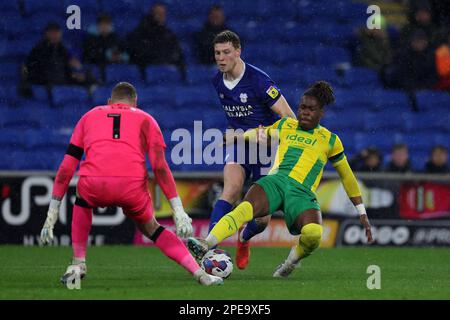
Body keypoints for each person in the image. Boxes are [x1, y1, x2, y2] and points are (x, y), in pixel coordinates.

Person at [39, 82, 223, 286]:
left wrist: (51, 214)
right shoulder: (146, 119)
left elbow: (66, 168)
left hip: (95, 183)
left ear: (109, 102)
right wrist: (178, 211)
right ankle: (200, 274)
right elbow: (160, 168)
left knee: (83, 201)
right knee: (153, 228)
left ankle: (78, 263)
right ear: (135, 103)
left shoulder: (89, 115)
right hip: (131, 186)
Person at [188, 81, 373, 278]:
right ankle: (206, 243)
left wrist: (361, 211)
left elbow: (347, 175)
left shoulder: (330, 140)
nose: (305, 112)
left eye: (312, 109)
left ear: (321, 113)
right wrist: (235, 137)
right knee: (244, 208)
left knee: (313, 234)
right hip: (275, 182)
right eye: (302, 107)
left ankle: (291, 261)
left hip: (302, 192)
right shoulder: (286, 125)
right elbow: (260, 134)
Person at [208, 30, 296, 270]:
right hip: (239, 145)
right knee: (231, 188)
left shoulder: (259, 81)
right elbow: (237, 115)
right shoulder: (217, 80)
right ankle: (208, 249)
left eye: (226, 52)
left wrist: (268, 135)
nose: (221, 58)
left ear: (238, 52)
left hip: (267, 149)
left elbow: (290, 119)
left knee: (262, 219)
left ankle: (244, 237)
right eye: (217, 53)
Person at [24, 22, 96, 87]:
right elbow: (41, 69)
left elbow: (70, 64)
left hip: (62, 80)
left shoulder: (61, 48)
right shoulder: (39, 49)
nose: (56, 35)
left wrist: (74, 74)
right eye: (52, 32)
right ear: (47, 34)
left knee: (88, 79)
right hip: (47, 82)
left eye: (57, 32)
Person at [127, 3, 186, 79]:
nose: (162, 16)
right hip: (148, 70)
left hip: (166, 70)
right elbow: (139, 52)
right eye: (158, 13)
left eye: (163, 13)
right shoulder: (142, 32)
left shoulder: (168, 33)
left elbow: (177, 51)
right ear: (152, 14)